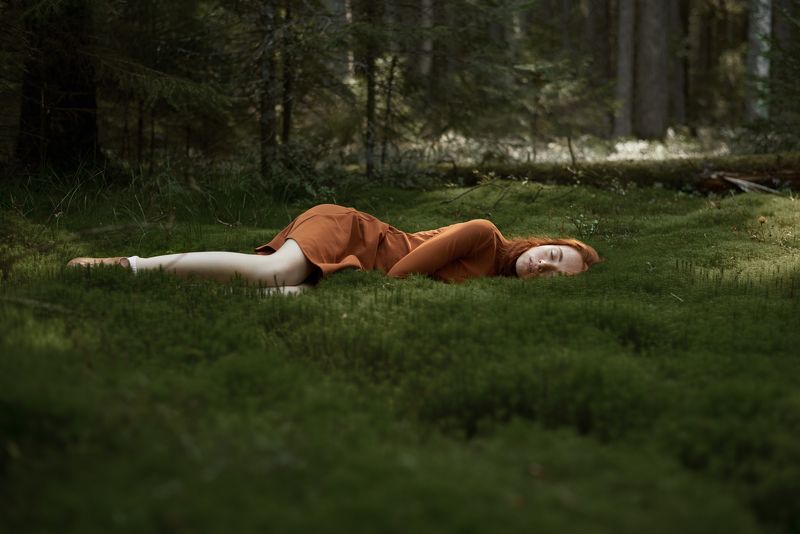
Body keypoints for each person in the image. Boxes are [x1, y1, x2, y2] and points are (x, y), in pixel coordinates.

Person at [68, 203, 601, 294]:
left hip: (355, 260)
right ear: (545, 242)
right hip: (353, 234)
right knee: (272, 276)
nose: (543, 266)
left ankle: (142, 269)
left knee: (261, 280)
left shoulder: (491, 284)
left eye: (556, 275)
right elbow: (404, 272)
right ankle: (125, 266)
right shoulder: (486, 232)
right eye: (553, 254)